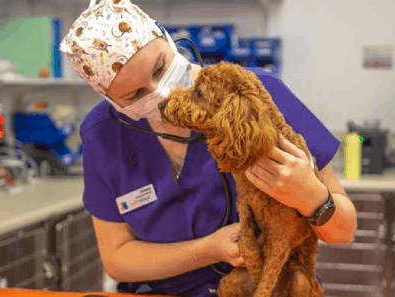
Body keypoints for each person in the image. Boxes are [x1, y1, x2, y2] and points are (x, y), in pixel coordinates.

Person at [59, 0, 358, 296]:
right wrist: (209, 249)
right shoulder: (102, 133)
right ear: (111, 99)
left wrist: (310, 196)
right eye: (134, 94)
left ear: (167, 39)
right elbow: (118, 259)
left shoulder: (253, 96)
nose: (161, 92)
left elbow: (343, 230)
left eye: (160, 67)